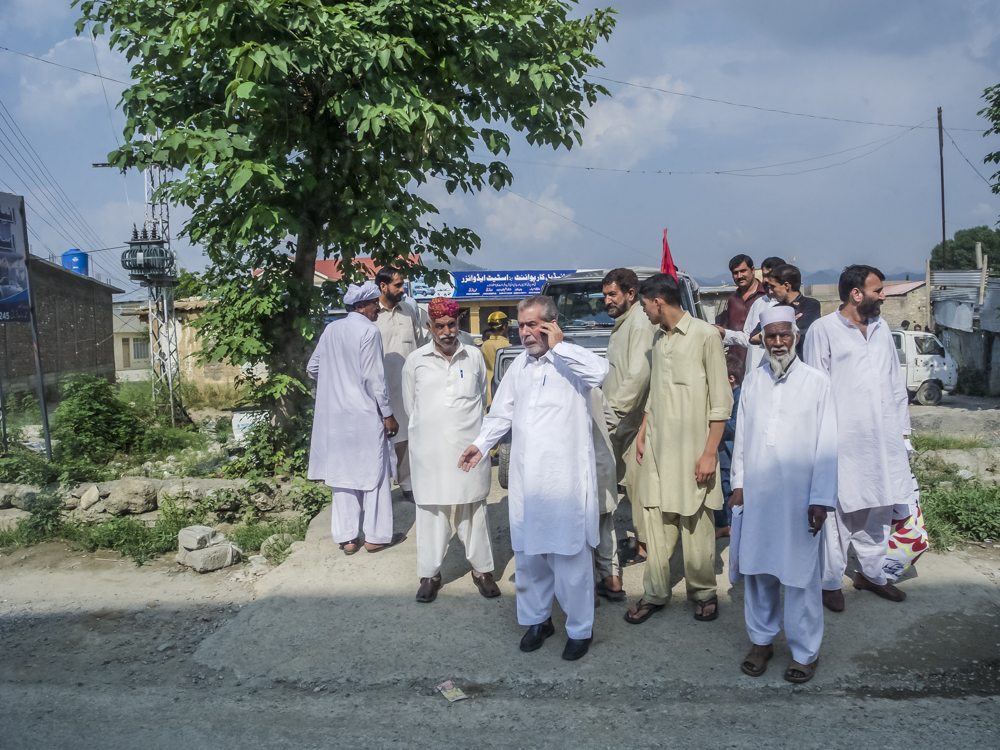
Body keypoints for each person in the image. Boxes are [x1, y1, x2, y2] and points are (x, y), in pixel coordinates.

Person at [459, 295, 608, 661]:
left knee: (570, 559)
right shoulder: (519, 368)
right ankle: (538, 621)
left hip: (565, 481)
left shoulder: (571, 362)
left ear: (551, 325)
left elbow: (600, 372)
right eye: (521, 325)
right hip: (528, 481)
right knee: (529, 558)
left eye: (532, 325)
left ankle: (579, 629)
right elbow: (499, 415)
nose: (524, 332)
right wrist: (480, 445)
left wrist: (560, 346)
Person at [731, 305, 838, 684]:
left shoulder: (816, 382)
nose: (778, 343)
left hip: (800, 499)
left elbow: (827, 444)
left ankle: (805, 652)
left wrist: (821, 498)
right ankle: (761, 642)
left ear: (796, 336)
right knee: (759, 571)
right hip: (759, 496)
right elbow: (742, 437)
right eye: (771, 336)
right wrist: (738, 485)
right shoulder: (753, 382)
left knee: (800, 576)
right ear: (763, 338)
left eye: (784, 335)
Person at [625, 273, 733, 625]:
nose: (643, 312)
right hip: (658, 447)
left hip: (693, 450)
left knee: (697, 522)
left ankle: (703, 591)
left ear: (658, 301)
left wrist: (709, 453)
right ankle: (655, 593)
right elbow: (655, 392)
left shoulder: (704, 335)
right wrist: (643, 430)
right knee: (656, 519)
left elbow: (721, 402)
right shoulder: (658, 339)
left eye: (644, 304)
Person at [804, 265, 912, 611]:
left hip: (884, 439)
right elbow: (815, 390)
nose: (883, 296)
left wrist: (904, 432)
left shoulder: (881, 329)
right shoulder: (823, 330)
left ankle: (872, 574)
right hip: (843, 441)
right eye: (878, 290)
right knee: (838, 514)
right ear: (856, 294)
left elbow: (895, 382)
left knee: (879, 507)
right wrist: (818, 441)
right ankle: (830, 581)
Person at [403, 297, 500, 603]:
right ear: (429, 326)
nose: (446, 332)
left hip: (467, 452)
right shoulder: (415, 361)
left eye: (451, 325)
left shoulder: (472, 357)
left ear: (459, 324)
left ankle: (482, 571)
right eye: (439, 326)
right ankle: (429, 574)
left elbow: (482, 400)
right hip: (430, 454)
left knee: (473, 508)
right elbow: (411, 408)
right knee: (431, 512)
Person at [307, 281, 406, 554]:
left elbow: (313, 367)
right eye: (374, 303)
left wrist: (335, 382)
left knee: (343, 476)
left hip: (335, 419)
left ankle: (348, 538)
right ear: (361, 306)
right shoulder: (369, 331)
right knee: (373, 474)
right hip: (363, 415)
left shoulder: (331, 329)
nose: (377, 308)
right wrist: (388, 415)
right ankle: (375, 537)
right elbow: (375, 380)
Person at [600, 267, 655, 586]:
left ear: (631, 294)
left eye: (613, 295)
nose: (607, 301)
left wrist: (611, 413)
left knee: (638, 486)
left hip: (632, 422)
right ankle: (643, 544)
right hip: (620, 420)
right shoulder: (623, 324)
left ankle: (648, 548)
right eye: (605, 295)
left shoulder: (639, 323)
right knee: (629, 485)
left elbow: (638, 376)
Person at [375, 266, 428, 502]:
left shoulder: (408, 311)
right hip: (381, 388)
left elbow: (418, 344)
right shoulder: (371, 314)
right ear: (383, 286)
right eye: (398, 285)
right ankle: (381, 488)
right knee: (381, 439)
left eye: (402, 284)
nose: (402, 289)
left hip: (407, 385)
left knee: (407, 435)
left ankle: (408, 484)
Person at [718, 256, 785, 373]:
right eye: (764, 276)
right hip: (751, 370)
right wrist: (724, 333)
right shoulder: (758, 303)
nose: (766, 280)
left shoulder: (789, 305)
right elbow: (748, 337)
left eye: (771, 276)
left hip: (779, 371)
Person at [714, 254, 765, 365]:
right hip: (735, 362)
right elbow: (728, 328)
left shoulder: (766, 297)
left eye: (743, 271)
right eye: (735, 273)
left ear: (752, 270)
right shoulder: (732, 299)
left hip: (759, 360)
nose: (739, 276)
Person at [715, 353, 743, 540]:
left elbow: (735, 425)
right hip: (725, 452)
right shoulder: (732, 394)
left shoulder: (739, 396)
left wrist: (716, 423)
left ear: (730, 378)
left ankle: (727, 525)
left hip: (730, 453)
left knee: (726, 489)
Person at [767, 264, 822, 358]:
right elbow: (754, 336)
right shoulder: (775, 309)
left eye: (773, 287)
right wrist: (790, 321)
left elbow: (801, 329)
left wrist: (774, 325)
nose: (771, 291)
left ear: (786, 285)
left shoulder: (810, 305)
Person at [481, 311, 512, 406]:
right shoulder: (507, 346)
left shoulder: (484, 345)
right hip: (503, 394)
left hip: (487, 393)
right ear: (504, 326)